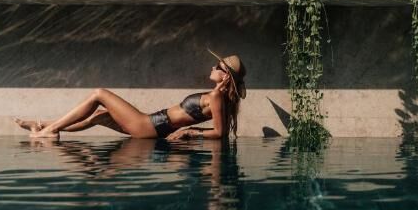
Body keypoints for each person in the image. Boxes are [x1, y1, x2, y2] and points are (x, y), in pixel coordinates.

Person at [15, 50, 246, 141]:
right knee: (98, 115)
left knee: (99, 93)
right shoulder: (216, 97)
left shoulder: (216, 98)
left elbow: (220, 132)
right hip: (152, 124)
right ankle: (43, 125)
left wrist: (189, 132)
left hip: (150, 126)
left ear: (225, 76)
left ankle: (48, 131)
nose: (213, 67)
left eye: (218, 66)